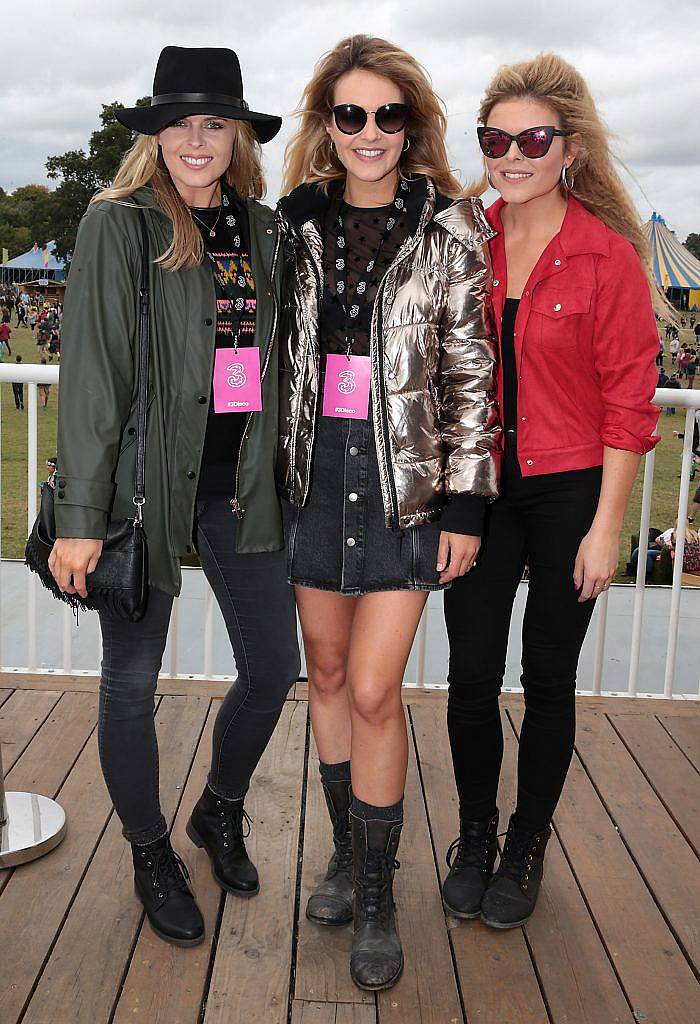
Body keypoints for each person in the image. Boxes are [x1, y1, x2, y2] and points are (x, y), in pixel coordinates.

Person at [48, 45, 299, 950]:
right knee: (130, 683)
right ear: (155, 134)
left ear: (238, 135)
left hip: (241, 487)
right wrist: (80, 517)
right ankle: (150, 851)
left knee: (273, 666)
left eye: (215, 121)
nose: (198, 139)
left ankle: (218, 811)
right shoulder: (119, 223)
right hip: (144, 489)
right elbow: (93, 378)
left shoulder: (263, 232)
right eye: (181, 121)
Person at [278, 34, 499, 991]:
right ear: (327, 125)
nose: (369, 133)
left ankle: (377, 891)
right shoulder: (293, 226)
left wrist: (465, 503)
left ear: (413, 124)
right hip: (312, 475)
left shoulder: (451, 233)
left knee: (374, 689)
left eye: (388, 115)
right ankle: (343, 850)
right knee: (325, 673)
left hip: (406, 482)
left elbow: (471, 376)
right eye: (350, 114)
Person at [441, 53, 659, 930]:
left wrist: (606, 528)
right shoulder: (467, 240)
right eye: (496, 138)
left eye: (532, 137)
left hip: (570, 494)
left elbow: (629, 407)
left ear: (568, 147)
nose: (512, 153)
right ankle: (476, 834)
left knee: (549, 680)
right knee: (469, 676)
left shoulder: (607, 256)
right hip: (482, 495)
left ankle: (527, 843)